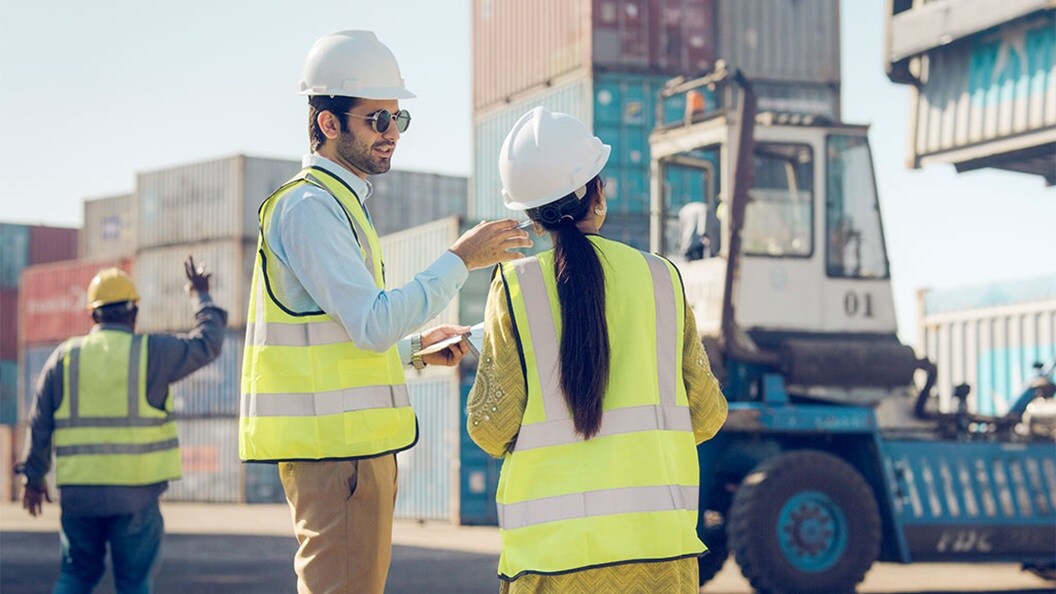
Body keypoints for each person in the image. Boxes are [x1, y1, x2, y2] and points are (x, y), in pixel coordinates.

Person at [237, 30, 531, 594]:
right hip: (337, 459)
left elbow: (341, 336)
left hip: (348, 455)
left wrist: (415, 350)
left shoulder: (338, 203)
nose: (393, 134)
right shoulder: (309, 206)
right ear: (328, 123)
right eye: (377, 120)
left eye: (398, 120)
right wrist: (460, 259)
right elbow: (371, 323)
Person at [467, 106, 728, 593]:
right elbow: (708, 414)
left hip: (550, 566)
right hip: (660, 561)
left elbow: (489, 428)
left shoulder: (513, 286)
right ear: (597, 190)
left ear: (530, 213)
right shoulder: (661, 278)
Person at [17, 258, 227, 594]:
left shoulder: (64, 357)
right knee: (133, 583)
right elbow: (208, 343)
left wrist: (33, 477)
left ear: (92, 315)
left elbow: (40, 421)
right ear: (134, 313)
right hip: (135, 496)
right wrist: (200, 295)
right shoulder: (152, 352)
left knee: (76, 576)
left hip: (78, 495)